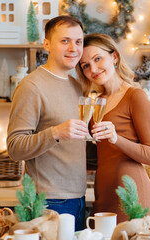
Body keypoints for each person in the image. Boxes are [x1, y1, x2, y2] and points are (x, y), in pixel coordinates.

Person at [7, 16, 89, 231]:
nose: (73, 48)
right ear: (47, 45)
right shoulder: (31, 86)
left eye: (79, 41)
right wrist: (55, 132)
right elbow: (14, 147)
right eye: (65, 41)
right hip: (47, 202)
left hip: (79, 198)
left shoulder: (76, 85)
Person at [76, 33, 150, 223]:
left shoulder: (135, 96)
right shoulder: (95, 102)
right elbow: (101, 153)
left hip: (132, 195)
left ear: (114, 57)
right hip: (104, 192)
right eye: (85, 65)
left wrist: (116, 138)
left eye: (98, 59)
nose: (93, 69)